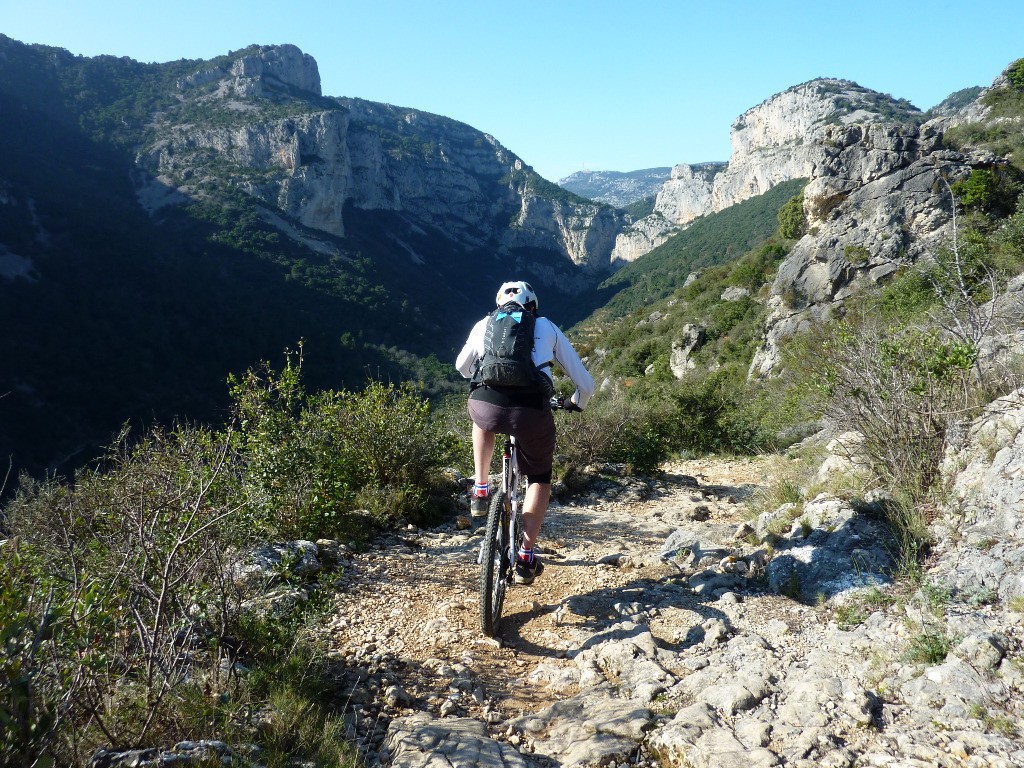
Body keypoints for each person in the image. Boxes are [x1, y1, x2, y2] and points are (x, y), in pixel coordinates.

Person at [456, 280, 594, 585]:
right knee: (540, 477)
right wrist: (575, 403)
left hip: (486, 404)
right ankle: (525, 556)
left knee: (481, 419)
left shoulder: (485, 324)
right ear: (532, 306)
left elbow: (462, 367)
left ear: (499, 305)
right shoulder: (546, 326)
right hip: (531, 412)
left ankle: (480, 488)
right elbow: (586, 384)